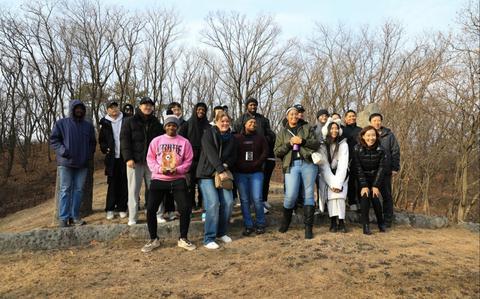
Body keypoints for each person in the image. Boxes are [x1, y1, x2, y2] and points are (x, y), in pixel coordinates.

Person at [141, 114, 195, 252]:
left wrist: (177, 169)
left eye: (174, 125)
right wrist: (160, 169)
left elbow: (188, 161)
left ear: (177, 127)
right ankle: (154, 239)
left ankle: (183, 238)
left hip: (178, 179)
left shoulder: (184, 142)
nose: (171, 127)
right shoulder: (156, 141)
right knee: (151, 208)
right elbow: (150, 159)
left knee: (185, 208)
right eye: (169, 125)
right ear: (165, 126)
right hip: (159, 179)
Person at [275, 105, 319, 239]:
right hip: (291, 165)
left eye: (296, 114)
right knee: (290, 195)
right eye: (291, 114)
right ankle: (285, 223)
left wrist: (303, 141)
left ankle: (308, 228)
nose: (294, 116)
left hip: (308, 164)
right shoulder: (282, 132)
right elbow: (277, 152)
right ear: (287, 117)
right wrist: (289, 144)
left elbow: (316, 144)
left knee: (309, 195)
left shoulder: (306, 128)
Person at [50, 99, 96, 227]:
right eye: (77, 108)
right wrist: (63, 151)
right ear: (72, 109)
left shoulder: (88, 126)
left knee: (79, 190)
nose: (79, 110)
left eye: (81, 108)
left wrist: (88, 154)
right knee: (65, 190)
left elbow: (92, 142)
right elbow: (54, 140)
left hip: (82, 164)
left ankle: (75, 216)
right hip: (66, 163)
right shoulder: (61, 123)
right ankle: (63, 218)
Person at [196, 111, 237, 249]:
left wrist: (225, 166)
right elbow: (210, 153)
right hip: (206, 174)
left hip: (222, 173)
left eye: (227, 121)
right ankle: (209, 238)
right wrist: (220, 169)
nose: (225, 124)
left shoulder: (231, 138)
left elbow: (233, 156)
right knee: (213, 203)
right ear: (216, 121)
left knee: (229, 202)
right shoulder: (208, 133)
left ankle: (221, 232)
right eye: (222, 121)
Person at [121, 97, 164, 226]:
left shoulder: (156, 122)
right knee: (133, 190)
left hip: (153, 162)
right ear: (140, 106)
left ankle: (158, 215)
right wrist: (128, 158)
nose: (148, 107)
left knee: (155, 189)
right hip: (135, 161)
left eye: (150, 105)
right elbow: (124, 140)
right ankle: (133, 217)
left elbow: (161, 142)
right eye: (145, 105)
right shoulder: (129, 121)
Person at [233, 98, 276, 214]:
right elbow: (234, 135)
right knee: (244, 183)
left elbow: (271, 134)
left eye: (255, 105)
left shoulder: (263, 119)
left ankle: (262, 201)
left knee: (262, 180)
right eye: (251, 105)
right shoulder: (240, 119)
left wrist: (262, 141)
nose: (253, 107)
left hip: (259, 154)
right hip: (243, 155)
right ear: (247, 106)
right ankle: (247, 204)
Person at [233, 116, 269, 236]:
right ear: (244, 124)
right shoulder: (237, 138)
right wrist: (240, 164)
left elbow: (265, 152)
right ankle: (248, 225)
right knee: (244, 200)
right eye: (250, 122)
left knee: (257, 198)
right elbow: (233, 153)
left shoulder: (260, 138)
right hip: (240, 173)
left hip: (256, 172)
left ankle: (260, 224)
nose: (253, 124)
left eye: (255, 122)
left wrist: (257, 163)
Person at [352, 126, 387, 234]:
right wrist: (364, 185)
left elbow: (382, 168)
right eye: (368, 135)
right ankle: (365, 225)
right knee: (365, 197)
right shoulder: (357, 149)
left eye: (373, 135)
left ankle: (381, 223)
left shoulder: (381, 149)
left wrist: (376, 185)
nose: (371, 138)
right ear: (363, 136)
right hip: (362, 177)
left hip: (376, 177)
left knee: (375, 197)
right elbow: (357, 168)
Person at [317, 118, 349, 233]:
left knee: (339, 197)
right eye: (332, 128)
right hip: (327, 176)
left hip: (342, 175)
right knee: (331, 198)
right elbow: (324, 165)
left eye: (336, 128)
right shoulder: (322, 145)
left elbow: (343, 164)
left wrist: (338, 183)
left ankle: (341, 221)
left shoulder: (343, 144)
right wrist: (332, 183)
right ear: (327, 130)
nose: (334, 130)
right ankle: (332, 221)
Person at [369, 113, 400, 227]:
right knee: (373, 195)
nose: (377, 122)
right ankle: (376, 219)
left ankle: (388, 220)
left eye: (379, 120)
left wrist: (395, 167)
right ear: (370, 122)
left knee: (387, 195)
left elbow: (395, 151)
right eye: (374, 120)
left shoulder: (389, 135)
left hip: (386, 170)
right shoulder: (368, 134)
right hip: (372, 170)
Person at [178, 102, 211, 211]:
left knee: (203, 183)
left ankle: (202, 204)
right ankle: (190, 205)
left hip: (204, 159)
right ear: (195, 110)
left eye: (203, 110)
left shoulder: (209, 126)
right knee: (189, 184)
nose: (201, 111)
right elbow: (180, 141)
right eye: (199, 109)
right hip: (189, 159)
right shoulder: (187, 124)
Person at [99, 100, 128, 220]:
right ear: (107, 110)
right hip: (112, 159)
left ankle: (122, 208)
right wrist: (105, 148)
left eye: (115, 107)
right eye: (111, 108)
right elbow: (101, 140)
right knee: (112, 184)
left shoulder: (126, 120)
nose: (114, 110)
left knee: (124, 184)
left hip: (124, 157)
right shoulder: (105, 123)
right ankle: (110, 209)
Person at [342, 110, 362, 211]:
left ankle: (361, 202)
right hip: (346, 159)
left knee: (360, 181)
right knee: (349, 181)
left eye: (353, 116)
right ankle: (351, 201)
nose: (351, 118)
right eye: (349, 116)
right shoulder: (342, 130)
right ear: (345, 119)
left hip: (359, 158)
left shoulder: (361, 130)